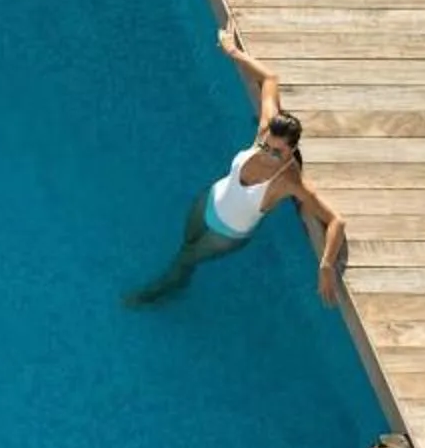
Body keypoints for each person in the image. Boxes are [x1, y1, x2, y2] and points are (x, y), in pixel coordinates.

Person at [126, 26, 348, 308]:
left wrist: (326, 265)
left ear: (291, 150)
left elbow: (336, 221)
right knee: (185, 245)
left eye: (277, 152)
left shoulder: (288, 180)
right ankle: (179, 278)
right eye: (266, 145)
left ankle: (153, 294)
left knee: (184, 259)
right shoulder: (265, 130)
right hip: (209, 201)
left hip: (227, 233)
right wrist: (232, 51)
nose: (268, 153)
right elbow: (270, 79)